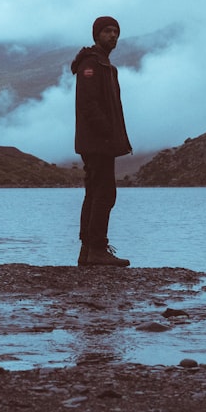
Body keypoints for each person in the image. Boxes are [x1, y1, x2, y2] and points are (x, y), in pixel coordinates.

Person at [70, 16, 133, 267]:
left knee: (95, 192)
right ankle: (96, 249)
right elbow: (89, 103)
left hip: (100, 141)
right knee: (104, 193)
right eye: (107, 31)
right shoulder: (91, 64)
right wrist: (107, 132)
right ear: (96, 35)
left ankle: (87, 251)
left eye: (116, 31)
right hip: (97, 141)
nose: (113, 35)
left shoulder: (104, 65)